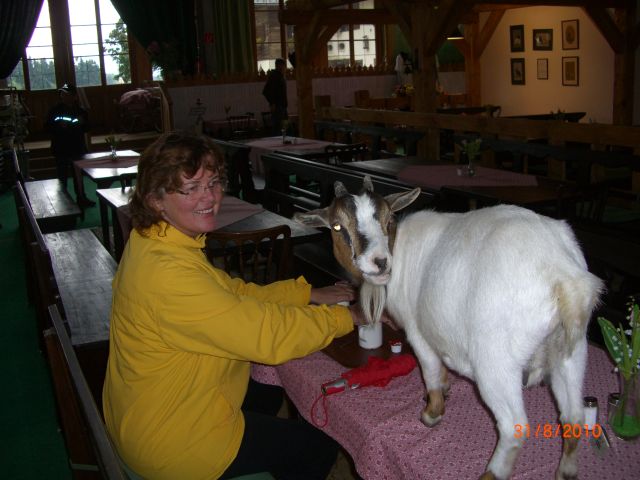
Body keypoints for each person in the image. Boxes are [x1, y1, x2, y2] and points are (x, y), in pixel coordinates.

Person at [103, 131, 375, 480]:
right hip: (173, 442)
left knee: (267, 387)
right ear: (156, 199)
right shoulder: (167, 274)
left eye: (213, 183)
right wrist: (348, 316)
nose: (209, 197)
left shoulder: (154, 241)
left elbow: (230, 294)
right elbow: (267, 336)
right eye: (191, 188)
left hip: (149, 410)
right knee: (316, 445)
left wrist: (307, 294)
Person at [45, 83, 94, 207]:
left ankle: (81, 198)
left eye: (67, 94)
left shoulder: (81, 111)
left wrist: (81, 124)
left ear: (74, 96)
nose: (64, 96)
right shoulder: (55, 111)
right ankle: (63, 202)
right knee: (62, 177)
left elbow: (87, 128)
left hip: (77, 148)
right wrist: (60, 127)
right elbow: (47, 128)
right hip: (61, 148)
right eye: (62, 94)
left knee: (78, 176)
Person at [262, 58, 288, 135]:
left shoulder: (280, 76)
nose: (285, 68)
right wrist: (272, 103)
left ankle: (283, 138)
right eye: (284, 66)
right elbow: (266, 91)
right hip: (278, 106)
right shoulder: (274, 76)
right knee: (278, 128)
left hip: (282, 106)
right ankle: (279, 140)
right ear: (280, 66)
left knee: (284, 126)